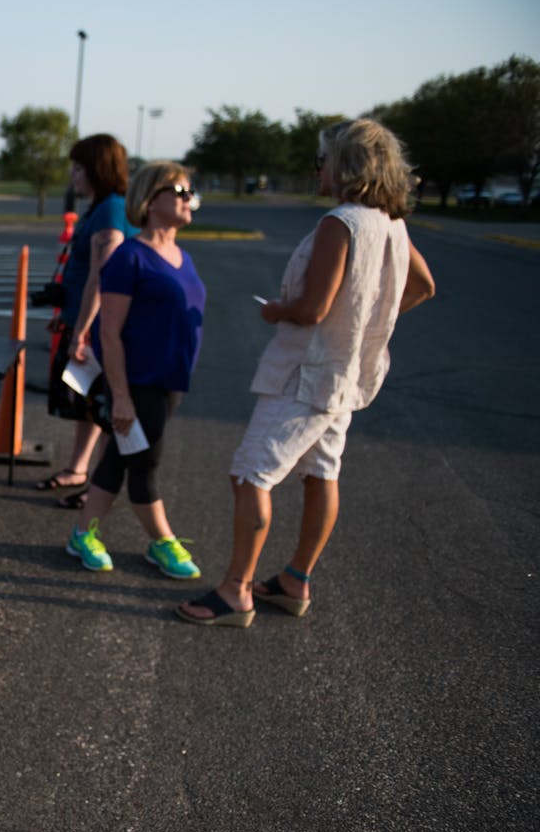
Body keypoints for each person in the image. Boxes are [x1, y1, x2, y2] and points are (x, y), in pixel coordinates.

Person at [177, 118, 435, 627]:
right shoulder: (392, 224)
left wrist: (276, 310)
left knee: (251, 475)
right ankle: (297, 579)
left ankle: (236, 591)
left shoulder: (341, 222)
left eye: (322, 160)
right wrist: (369, 322)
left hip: (307, 375)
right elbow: (423, 286)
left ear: (345, 165)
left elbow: (313, 309)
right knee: (322, 473)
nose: (317, 169)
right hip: (345, 377)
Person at [65, 161, 205, 580]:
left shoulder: (183, 255)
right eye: (179, 190)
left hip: (168, 381)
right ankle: (163, 541)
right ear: (150, 198)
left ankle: (82, 533)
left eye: (189, 191)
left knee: (119, 460)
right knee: (144, 464)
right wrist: (121, 396)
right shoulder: (129, 257)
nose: (188, 198)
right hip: (136, 380)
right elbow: (110, 333)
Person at [38, 133, 137, 505]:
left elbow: (102, 275)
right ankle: (79, 469)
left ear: (97, 169)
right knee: (88, 403)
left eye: (79, 168)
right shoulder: (99, 207)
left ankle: (99, 485)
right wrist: (66, 315)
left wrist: (81, 331)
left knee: (105, 408)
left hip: (102, 328)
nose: (73, 175)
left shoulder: (111, 209)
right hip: (86, 321)